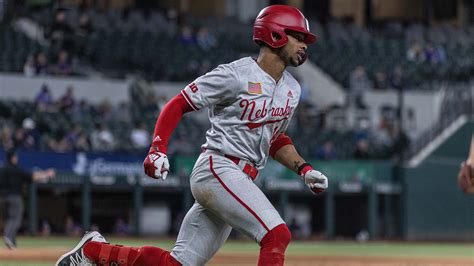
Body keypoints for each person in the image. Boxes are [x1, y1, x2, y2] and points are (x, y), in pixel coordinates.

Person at [56, 5, 329, 266]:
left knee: (177, 264)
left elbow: (276, 138)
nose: (305, 44)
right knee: (277, 234)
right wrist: (157, 148)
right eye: (299, 36)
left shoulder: (291, 89)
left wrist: (303, 169)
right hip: (218, 167)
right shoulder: (235, 75)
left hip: (239, 178)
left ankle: (93, 250)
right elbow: (178, 104)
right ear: (275, 33)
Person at [0, 149, 55, 249]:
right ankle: (8, 237)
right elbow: (33, 177)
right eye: (15, 157)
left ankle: (12, 242)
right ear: (13, 158)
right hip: (14, 197)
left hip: (2, 199)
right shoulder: (16, 169)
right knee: (15, 219)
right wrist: (47, 174)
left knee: (9, 219)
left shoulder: (2, 169)